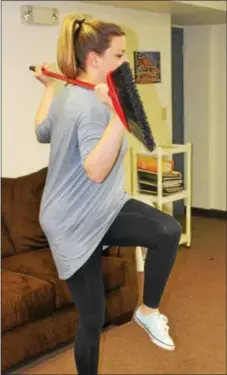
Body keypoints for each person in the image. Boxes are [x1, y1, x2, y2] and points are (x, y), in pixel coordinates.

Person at [32, 13, 182, 375]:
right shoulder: (88, 106)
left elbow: (41, 131)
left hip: (104, 205)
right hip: (71, 219)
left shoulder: (70, 92)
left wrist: (47, 88)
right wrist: (117, 115)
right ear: (94, 59)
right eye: (118, 55)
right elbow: (96, 172)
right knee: (92, 314)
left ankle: (147, 311)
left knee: (167, 230)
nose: (125, 62)